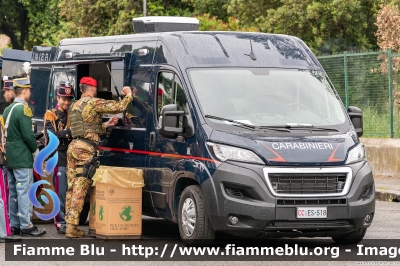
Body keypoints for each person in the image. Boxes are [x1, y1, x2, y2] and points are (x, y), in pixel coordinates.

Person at [65, 77, 133, 238]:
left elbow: (85, 127)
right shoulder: (93, 103)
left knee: (71, 186)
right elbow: (119, 106)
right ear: (92, 89)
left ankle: (68, 223)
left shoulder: (75, 105)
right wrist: (128, 94)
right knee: (80, 187)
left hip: (73, 147)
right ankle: (71, 227)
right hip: (85, 149)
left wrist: (106, 125)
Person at [3, 77, 46, 236]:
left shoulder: (8, 109)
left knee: (13, 192)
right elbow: (28, 136)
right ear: (25, 91)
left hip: (10, 156)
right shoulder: (24, 110)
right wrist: (35, 150)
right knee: (24, 192)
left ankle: (14, 224)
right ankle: (26, 224)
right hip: (22, 157)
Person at [44, 82, 74, 234]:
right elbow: (52, 137)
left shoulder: (73, 114)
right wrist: (69, 131)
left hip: (73, 158)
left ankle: (69, 221)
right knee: (60, 192)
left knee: (71, 192)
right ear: (57, 98)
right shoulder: (51, 115)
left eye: (69, 99)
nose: (66, 102)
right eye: (63, 99)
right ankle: (60, 222)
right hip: (58, 158)